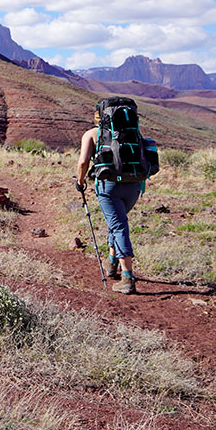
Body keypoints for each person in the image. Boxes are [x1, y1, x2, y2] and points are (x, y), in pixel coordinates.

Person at [76, 108, 142, 294]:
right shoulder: (132, 132)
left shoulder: (91, 134)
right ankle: (112, 263)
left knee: (118, 226)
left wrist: (80, 181)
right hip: (134, 185)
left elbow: (83, 162)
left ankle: (127, 278)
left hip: (108, 187)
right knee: (117, 223)